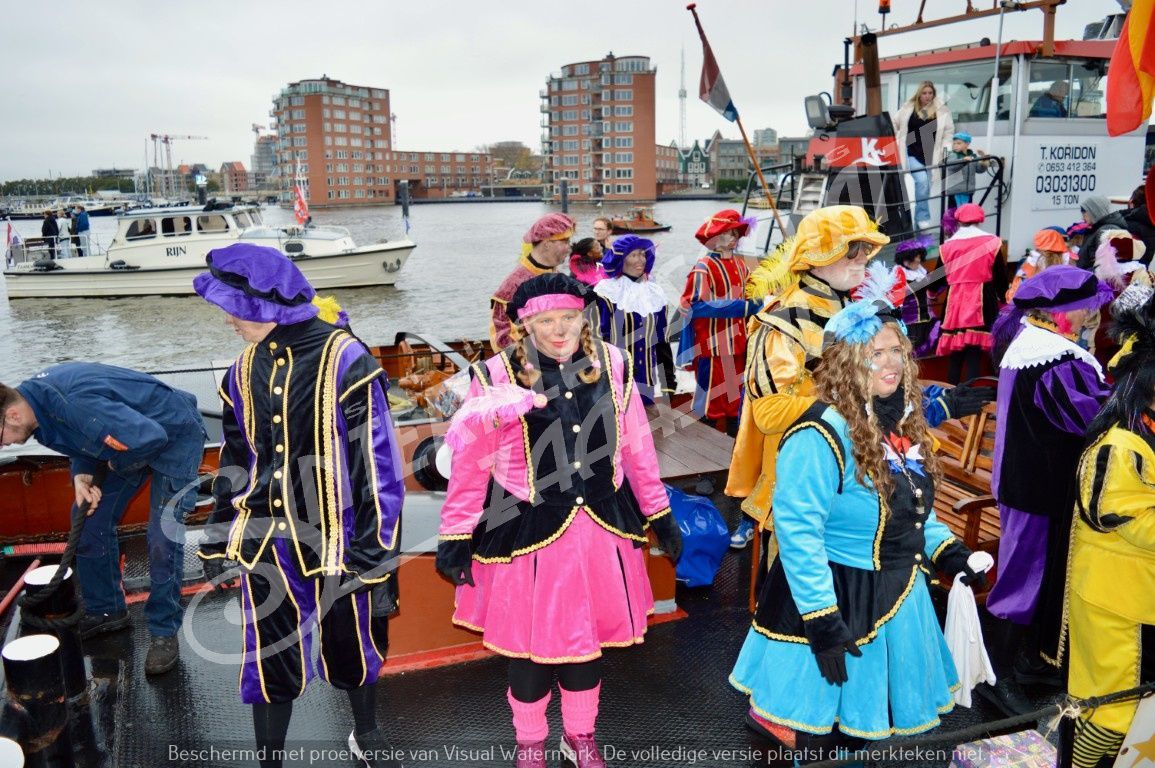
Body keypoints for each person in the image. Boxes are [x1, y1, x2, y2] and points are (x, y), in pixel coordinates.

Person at [729, 267, 993, 757]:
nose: (891, 364)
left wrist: (948, 551)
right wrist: (821, 619)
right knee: (822, 736)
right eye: (875, 354)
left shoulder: (898, 420)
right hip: (838, 598)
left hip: (899, 596)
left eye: (897, 351)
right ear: (846, 363)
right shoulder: (818, 433)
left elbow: (911, 506)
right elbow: (799, 533)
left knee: (866, 728)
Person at [435, 273, 681, 768]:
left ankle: (579, 736)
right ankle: (530, 745)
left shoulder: (614, 363)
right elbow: (471, 465)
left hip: (600, 528)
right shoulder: (494, 375)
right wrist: (455, 535)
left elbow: (637, 447)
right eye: (546, 321)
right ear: (524, 325)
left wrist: (660, 513)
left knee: (586, 647)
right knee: (528, 655)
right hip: (527, 533)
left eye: (569, 317)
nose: (560, 329)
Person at [194, 243, 404, 768]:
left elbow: (376, 463)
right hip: (266, 538)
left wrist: (374, 549)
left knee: (351, 644)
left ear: (263, 305)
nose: (228, 321)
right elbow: (236, 459)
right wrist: (219, 533)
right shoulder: (240, 371)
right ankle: (270, 759)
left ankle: (366, 732)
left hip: (340, 539)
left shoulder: (347, 360)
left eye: (232, 309)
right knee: (269, 657)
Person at [0, 365, 207, 675]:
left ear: (13, 415)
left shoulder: (72, 404)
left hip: (173, 433)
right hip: (130, 439)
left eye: (0, 437)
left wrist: (111, 467)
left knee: (162, 535)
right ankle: (107, 611)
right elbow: (81, 438)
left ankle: (164, 631)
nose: (3, 446)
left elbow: (151, 437)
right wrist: (82, 474)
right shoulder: (36, 412)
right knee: (86, 516)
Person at [979, 266, 1113, 717]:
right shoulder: (1056, 360)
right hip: (1037, 489)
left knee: (1036, 577)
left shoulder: (1031, 344)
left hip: (1025, 484)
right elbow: (1091, 418)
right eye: (1085, 309)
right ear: (1063, 310)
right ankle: (996, 678)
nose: (1089, 316)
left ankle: (1030, 662)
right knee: (1021, 584)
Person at [1062, 288, 1155, 768]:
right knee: (1111, 708)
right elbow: (1119, 514)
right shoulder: (1120, 444)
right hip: (1115, 602)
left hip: (1136, 595)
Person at [678, 209, 760, 432]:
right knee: (709, 401)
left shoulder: (743, 266)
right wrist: (741, 307)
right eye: (728, 233)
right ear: (714, 237)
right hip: (712, 345)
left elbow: (755, 297)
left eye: (736, 234)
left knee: (736, 399)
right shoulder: (703, 267)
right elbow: (694, 306)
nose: (734, 238)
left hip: (739, 344)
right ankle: (706, 441)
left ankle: (734, 439)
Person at [590, 234, 673, 405]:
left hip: (646, 380)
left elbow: (662, 341)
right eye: (634, 255)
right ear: (621, 259)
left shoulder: (655, 293)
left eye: (642, 254)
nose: (640, 260)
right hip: (615, 379)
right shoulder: (606, 292)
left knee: (646, 418)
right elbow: (598, 338)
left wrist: (668, 382)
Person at [935, 203, 1006, 383]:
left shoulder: (947, 246)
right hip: (982, 301)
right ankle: (971, 395)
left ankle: (950, 393)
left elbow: (937, 280)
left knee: (956, 355)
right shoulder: (992, 242)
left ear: (959, 221)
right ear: (979, 220)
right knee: (974, 354)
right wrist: (1004, 297)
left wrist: (931, 294)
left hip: (955, 303)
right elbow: (1000, 277)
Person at [490, 213, 576, 351]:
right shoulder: (513, 285)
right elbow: (503, 339)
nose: (569, 248)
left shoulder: (559, 277)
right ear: (547, 243)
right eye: (565, 242)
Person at [893, 81, 955, 229]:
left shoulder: (942, 110)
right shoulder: (908, 108)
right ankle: (923, 218)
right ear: (919, 94)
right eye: (924, 93)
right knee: (922, 182)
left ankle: (917, 227)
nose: (927, 96)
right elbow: (894, 123)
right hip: (910, 153)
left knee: (925, 190)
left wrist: (946, 153)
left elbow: (948, 133)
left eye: (930, 93)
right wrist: (894, 142)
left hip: (932, 156)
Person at [895, 236, 942, 357]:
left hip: (929, 321)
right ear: (905, 260)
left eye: (919, 256)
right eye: (915, 257)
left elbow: (932, 293)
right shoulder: (897, 277)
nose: (918, 260)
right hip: (912, 326)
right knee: (914, 356)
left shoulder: (922, 273)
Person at [1006, 228, 1070, 302]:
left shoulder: (1032, 261)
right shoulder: (1065, 262)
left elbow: (1017, 290)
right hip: (1056, 302)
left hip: (1031, 302)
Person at [1076, 195, 1127, 270]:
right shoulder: (1097, 229)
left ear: (1094, 211)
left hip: (1094, 276)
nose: (1082, 218)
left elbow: (1105, 266)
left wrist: (1087, 274)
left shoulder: (1106, 230)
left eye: (1084, 213)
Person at [943, 131, 989, 207]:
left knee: (967, 213)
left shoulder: (972, 156)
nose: (955, 146)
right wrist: (963, 160)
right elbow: (951, 166)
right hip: (955, 191)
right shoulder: (953, 155)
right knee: (955, 212)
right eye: (954, 143)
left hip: (968, 192)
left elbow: (979, 170)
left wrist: (984, 161)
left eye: (959, 143)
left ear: (967, 144)